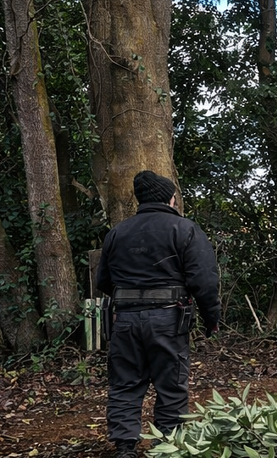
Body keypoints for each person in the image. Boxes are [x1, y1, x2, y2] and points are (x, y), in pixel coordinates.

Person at [96, 170, 221, 458]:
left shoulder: (117, 232)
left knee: (125, 383)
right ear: (172, 199)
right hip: (168, 319)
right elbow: (204, 281)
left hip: (125, 321)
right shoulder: (185, 229)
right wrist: (211, 319)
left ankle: (125, 447)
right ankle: (167, 445)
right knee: (171, 384)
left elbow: (103, 281)